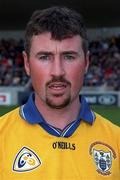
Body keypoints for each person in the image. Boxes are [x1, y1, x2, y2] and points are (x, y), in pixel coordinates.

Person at [0, 6, 120, 180]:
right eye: (44, 57)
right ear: (26, 63)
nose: (57, 71)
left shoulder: (116, 140)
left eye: (69, 57)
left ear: (86, 62)